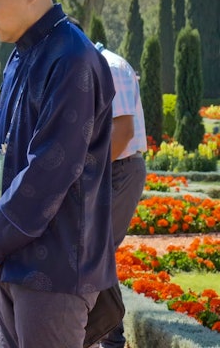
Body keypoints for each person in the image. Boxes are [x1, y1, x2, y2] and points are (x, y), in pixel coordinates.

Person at [0, 0, 117, 348]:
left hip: (55, 267)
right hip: (14, 260)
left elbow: (52, 167)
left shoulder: (71, 57)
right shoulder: (23, 55)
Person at [95, 43, 148, 348]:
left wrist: (83, 173)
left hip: (120, 168)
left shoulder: (110, 67)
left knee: (95, 253)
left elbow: (123, 132)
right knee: (93, 253)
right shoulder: (92, 64)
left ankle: (111, 340)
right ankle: (103, 336)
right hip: (109, 168)